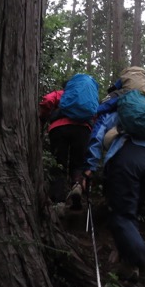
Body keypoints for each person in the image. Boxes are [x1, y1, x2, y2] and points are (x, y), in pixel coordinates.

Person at [82, 66, 145, 287]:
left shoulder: (118, 105)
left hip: (125, 159)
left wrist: (90, 167)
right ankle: (129, 267)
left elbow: (98, 136)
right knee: (132, 213)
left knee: (121, 217)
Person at [39, 84, 93, 212]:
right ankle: (76, 186)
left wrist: (43, 117)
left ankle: (59, 203)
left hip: (59, 128)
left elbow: (47, 100)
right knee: (78, 162)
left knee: (58, 164)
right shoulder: (86, 98)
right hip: (82, 129)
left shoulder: (62, 93)